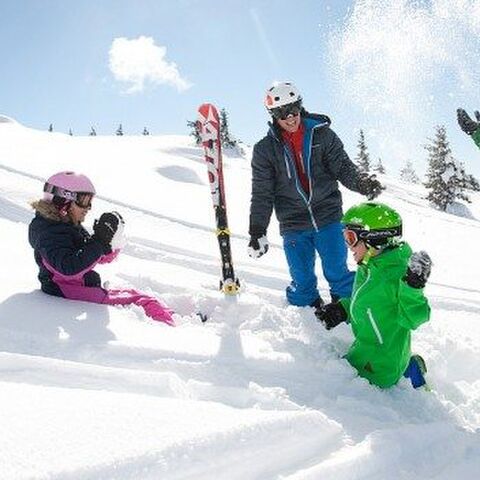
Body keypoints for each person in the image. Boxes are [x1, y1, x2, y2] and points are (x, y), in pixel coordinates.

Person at [248, 81, 384, 307]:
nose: (290, 118)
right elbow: (262, 193)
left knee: (338, 273)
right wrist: (257, 230)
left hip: (328, 217)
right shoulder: (264, 150)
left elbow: (342, 167)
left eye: (293, 110)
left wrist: (362, 183)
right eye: (282, 113)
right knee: (302, 281)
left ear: (300, 106)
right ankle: (308, 319)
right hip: (292, 223)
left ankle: (349, 314)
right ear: (273, 115)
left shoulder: (322, 135)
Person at [29, 171, 174, 325]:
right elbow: (68, 268)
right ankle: (172, 331)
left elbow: (91, 255)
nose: (88, 208)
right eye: (83, 201)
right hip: (68, 292)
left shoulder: (64, 226)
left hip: (75, 289)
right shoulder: (50, 234)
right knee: (143, 301)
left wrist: (108, 241)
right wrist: (98, 243)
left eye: (90, 201)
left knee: (136, 295)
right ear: (63, 200)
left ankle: (175, 318)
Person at [315, 202, 432, 389]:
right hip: (365, 350)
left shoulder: (396, 276)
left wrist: (413, 288)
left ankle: (406, 369)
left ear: (375, 239)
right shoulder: (368, 266)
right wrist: (343, 309)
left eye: (351, 238)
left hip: (378, 369)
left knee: (326, 388)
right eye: (345, 237)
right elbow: (370, 303)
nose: (348, 246)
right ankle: (409, 365)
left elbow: (414, 319)